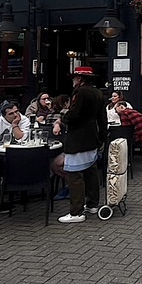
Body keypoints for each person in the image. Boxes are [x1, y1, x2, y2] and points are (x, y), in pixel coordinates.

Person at [56, 66, 107, 223]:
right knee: (90, 170)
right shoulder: (98, 92)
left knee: (74, 174)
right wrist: (101, 136)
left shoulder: (80, 92)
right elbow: (102, 118)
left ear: (79, 79)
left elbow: (74, 115)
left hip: (78, 137)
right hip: (92, 136)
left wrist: (62, 120)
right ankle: (92, 204)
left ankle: (76, 212)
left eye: (74, 78)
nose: (73, 81)